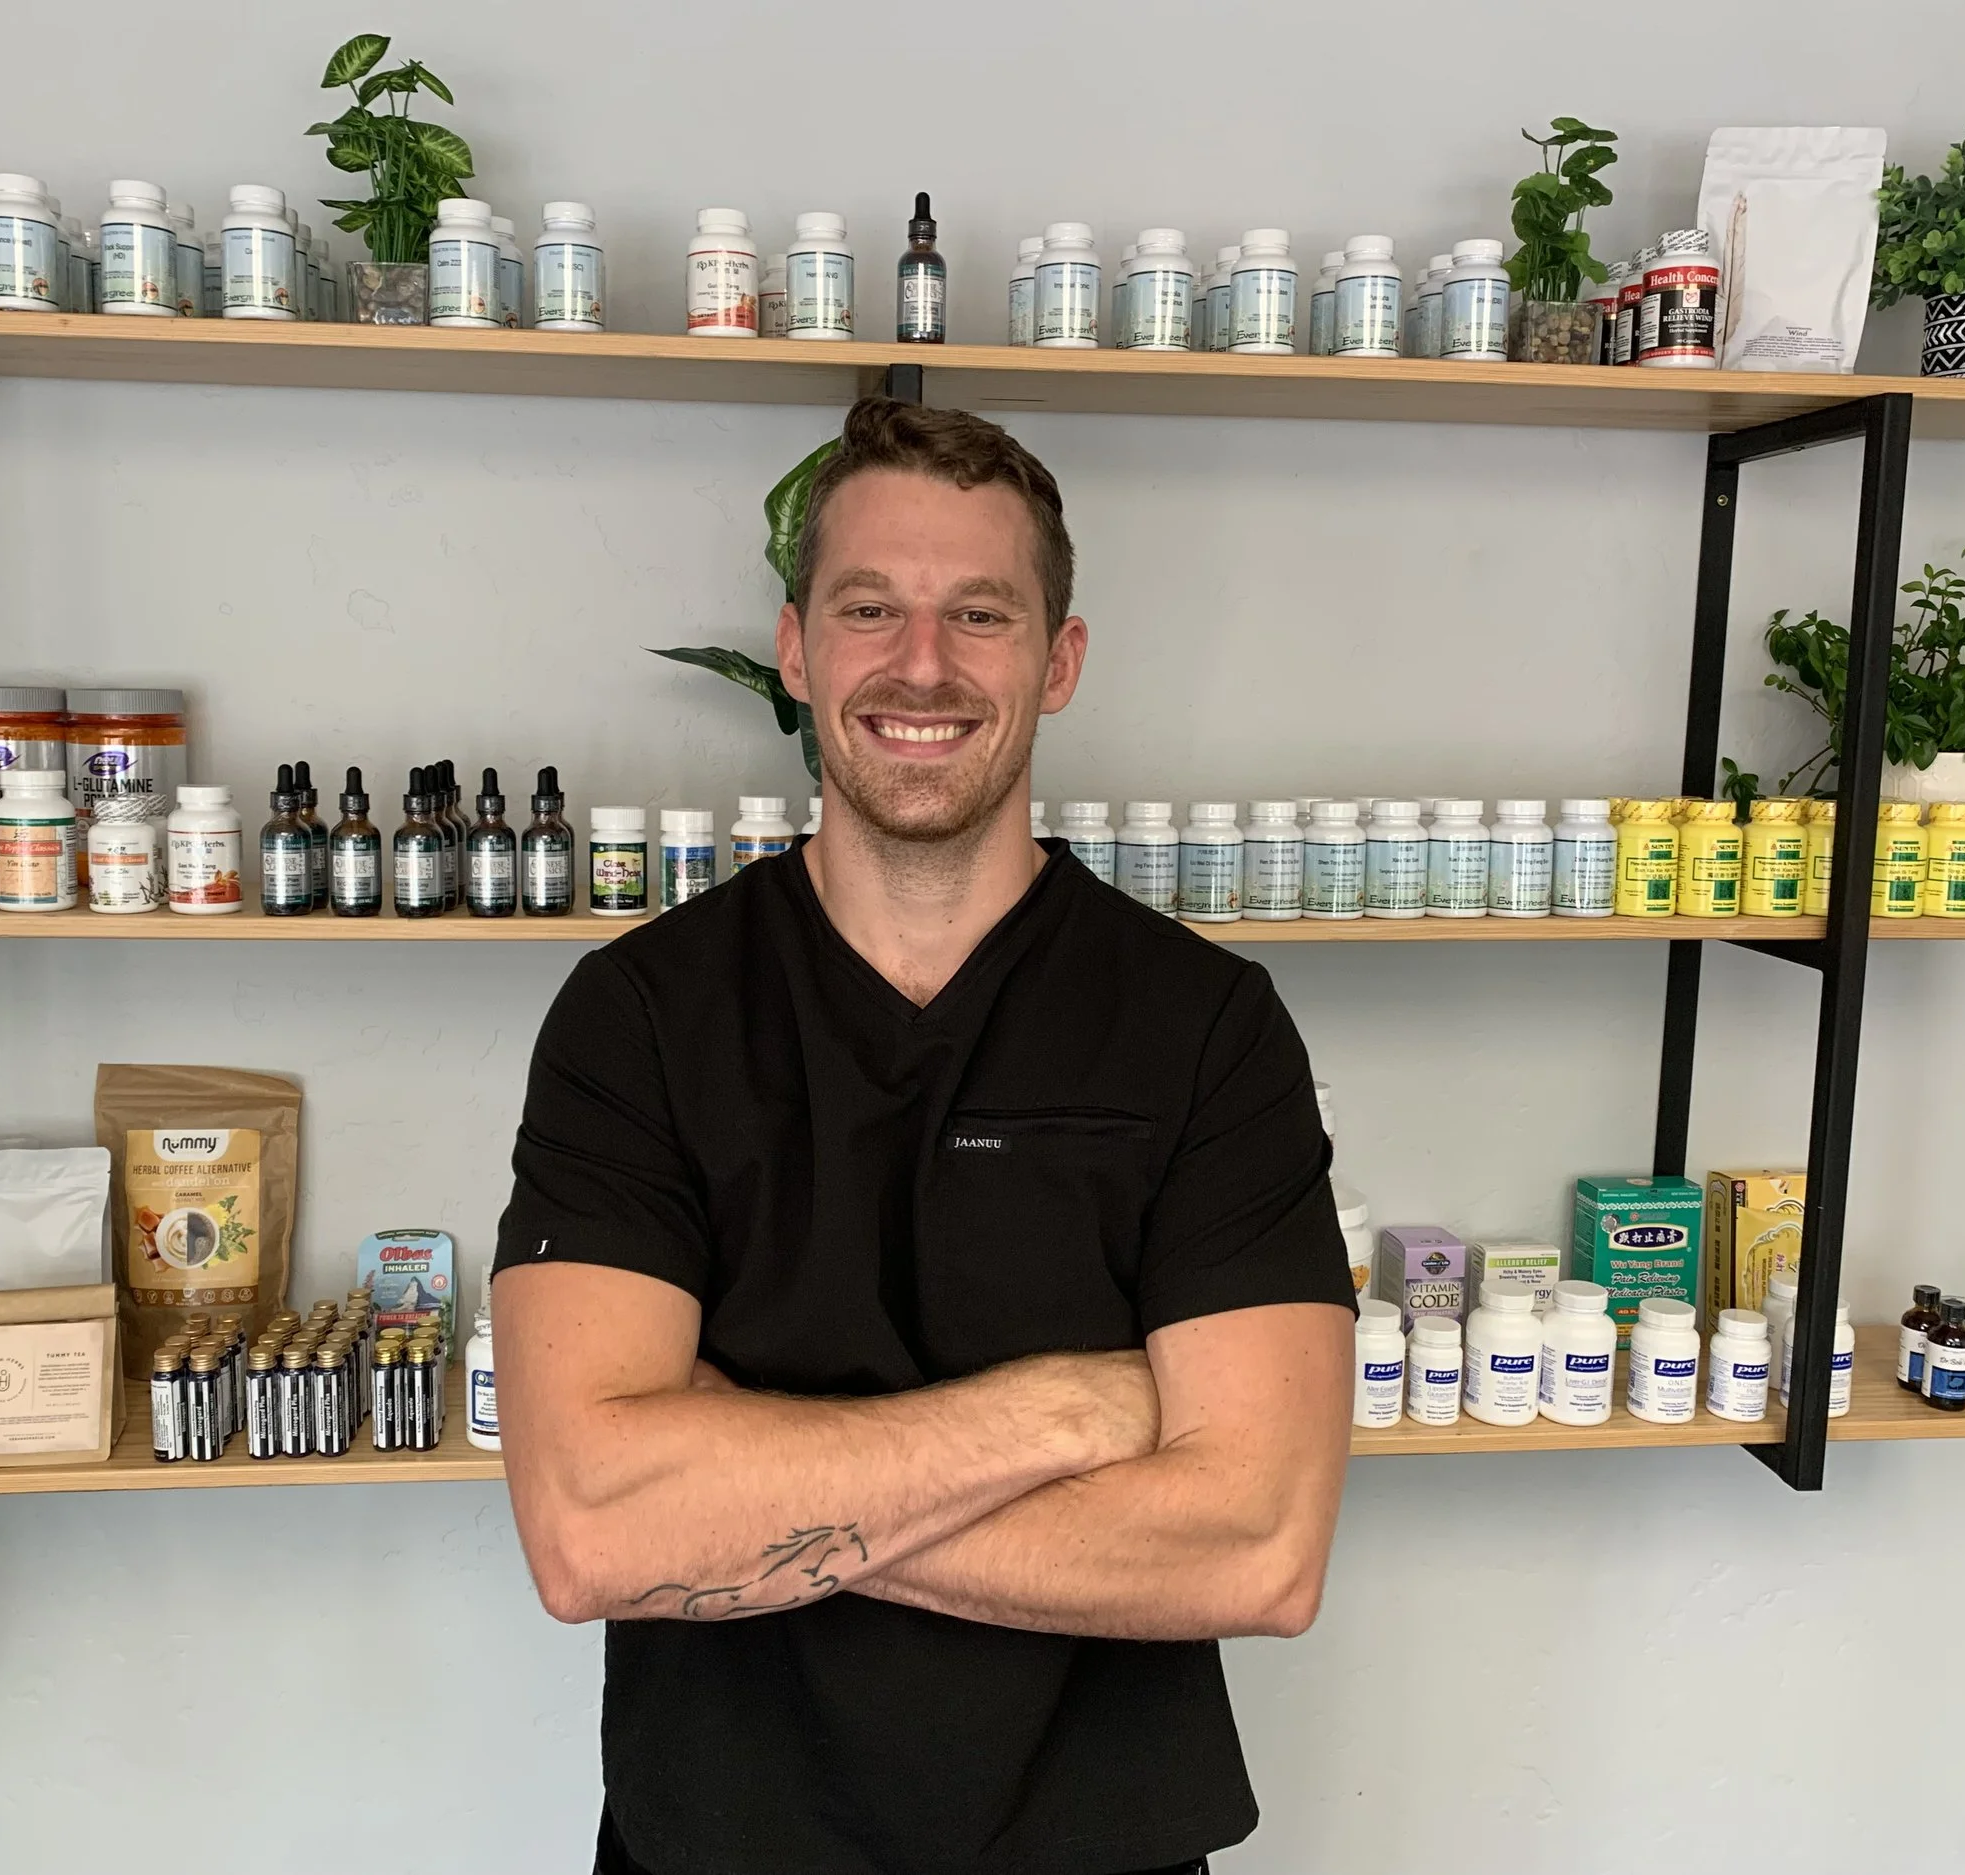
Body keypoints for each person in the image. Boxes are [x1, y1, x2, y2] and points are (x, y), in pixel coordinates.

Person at [493, 395, 1357, 1875]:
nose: (923, 664)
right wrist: (1067, 1419)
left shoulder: (1204, 1027)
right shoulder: (639, 1016)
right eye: (870, 607)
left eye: (982, 613)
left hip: (1102, 1852)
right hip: (716, 1845)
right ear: (796, 648)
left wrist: (738, 1489)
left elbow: (1260, 1548)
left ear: (1060, 660)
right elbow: (591, 1533)